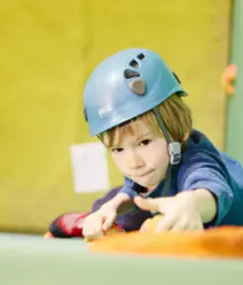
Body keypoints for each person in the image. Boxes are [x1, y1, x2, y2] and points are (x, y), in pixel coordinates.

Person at [82, 48, 243, 240]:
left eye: (144, 142)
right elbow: (134, 188)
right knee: (107, 201)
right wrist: (111, 207)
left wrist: (192, 204)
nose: (134, 163)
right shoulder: (149, 167)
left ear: (180, 131)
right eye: (118, 149)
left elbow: (210, 189)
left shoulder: (197, 160)